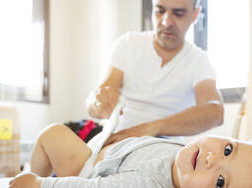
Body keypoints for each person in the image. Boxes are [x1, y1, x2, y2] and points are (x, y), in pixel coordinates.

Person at [6, 124, 252, 188]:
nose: (213, 160)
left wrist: (39, 187)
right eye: (228, 150)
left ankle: (30, 176)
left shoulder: (150, 186)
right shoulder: (188, 155)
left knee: (52, 134)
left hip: (88, 167)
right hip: (108, 148)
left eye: (220, 182)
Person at [86, 0, 224, 146]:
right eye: (160, 11)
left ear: (194, 15)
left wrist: (151, 128)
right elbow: (94, 101)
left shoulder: (199, 61)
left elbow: (215, 112)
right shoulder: (129, 44)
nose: (166, 22)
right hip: (118, 141)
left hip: (163, 147)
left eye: (178, 13)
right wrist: (98, 103)